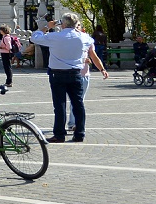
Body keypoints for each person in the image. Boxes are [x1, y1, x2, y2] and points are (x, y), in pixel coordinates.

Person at [31, 13, 108, 143]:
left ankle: (59, 134)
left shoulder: (55, 36)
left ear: (63, 24)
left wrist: (46, 27)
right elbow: (91, 42)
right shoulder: (84, 37)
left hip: (58, 74)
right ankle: (79, 133)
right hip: (76, 73)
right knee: (78, 104)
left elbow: (35, 38)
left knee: (60, 105)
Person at [67, 22, 108, 131]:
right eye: (75, 26)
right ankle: (73, 123)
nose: (77, 27)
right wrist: (81, 60)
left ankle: (74, 122)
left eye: (78, 25)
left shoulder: (87, 40)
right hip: (71, 73)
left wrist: (102, 69)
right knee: (75, 99)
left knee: (79, 100)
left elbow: (94, 56)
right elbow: (65, 57)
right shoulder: (67, 40)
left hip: (84, 74)